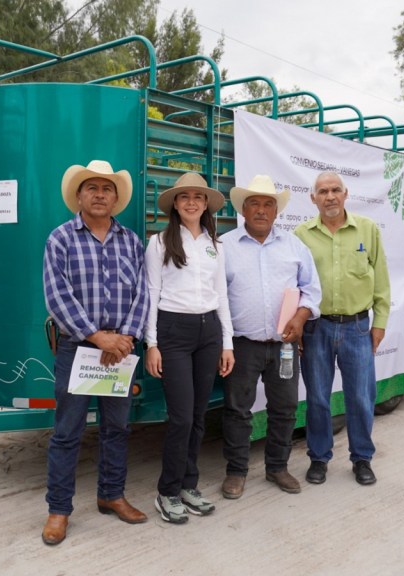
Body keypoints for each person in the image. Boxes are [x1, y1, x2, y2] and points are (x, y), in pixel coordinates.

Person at [41, 159, 150, 545]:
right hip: (78, 349)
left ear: (116, 198)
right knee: (67, 432)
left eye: (107, 189)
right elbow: (56, 295)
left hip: (121, 351)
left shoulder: (131, 241)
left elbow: (143, 293)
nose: (100, 195)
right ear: (79, 196)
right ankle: (59, 510)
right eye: (92, 188)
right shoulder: (60, 239)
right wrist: (97, 337)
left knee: (117, 428)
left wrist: (126, 337)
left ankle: (111, 495)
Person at [219, 174, 321, 499]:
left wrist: (301, 317)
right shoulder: (224, 247)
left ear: (276, 211)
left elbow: (312, 290)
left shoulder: (294, 246)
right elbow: (215, 296)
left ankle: (277, 467)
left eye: (268, 204)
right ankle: (236, 471)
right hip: (241, 345)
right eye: (254, 204)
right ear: (243, 209)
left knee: (285, 407)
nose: (261, 210)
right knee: (237, 409)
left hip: (284, 346)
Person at [144, 172, 235, 524]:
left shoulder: (216, 245)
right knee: (181, 417)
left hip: (208, 331)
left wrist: (227, 342)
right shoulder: (159, 243)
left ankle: (188, 486)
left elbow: (221, 294)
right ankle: (167, 491)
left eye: (198, 196)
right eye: (185, 197)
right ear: (175, 204)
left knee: (198, 416)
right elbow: (152, 293)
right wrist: (152, 343)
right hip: (173, 332)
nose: (192, 202)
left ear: (206, 204)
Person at [294, 171, 391, 487]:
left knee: (361, 397)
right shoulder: (301, 235)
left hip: (357, 328)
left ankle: (361, 458)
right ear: (313, 198)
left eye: (335, 190)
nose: (330, 196)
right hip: (316, 329)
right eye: (323, 191)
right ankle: (319, 458)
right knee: (318, 398)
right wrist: (296, 327)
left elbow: (382, 280)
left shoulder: (367, 229)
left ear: (346, 194)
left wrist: (379, 323)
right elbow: (293, 285)